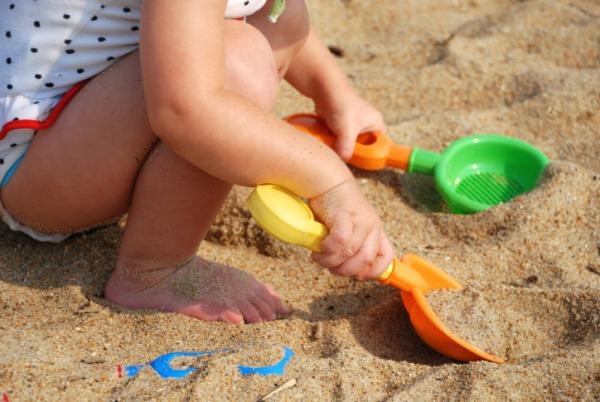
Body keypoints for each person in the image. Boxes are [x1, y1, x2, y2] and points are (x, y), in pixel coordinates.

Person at [0, 0, 394, 324]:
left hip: (78, 111)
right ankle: (154, 269)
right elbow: (185, 110)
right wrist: (329, 181)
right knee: (236, 66)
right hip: (37, 163)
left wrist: (334, 94)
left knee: (278, 10)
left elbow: (272, 8)